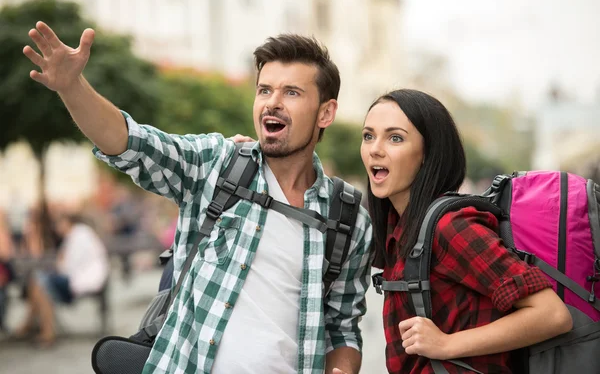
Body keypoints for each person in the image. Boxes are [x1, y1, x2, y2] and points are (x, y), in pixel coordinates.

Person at [23, 21, 373, 374]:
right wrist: (72, 87)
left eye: (292, 93)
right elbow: (132, 144)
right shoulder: (216, 164)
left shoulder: (348, 218)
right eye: (264, 90)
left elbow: (342, 327)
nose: (273, 103)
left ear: (326, 112)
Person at [356, 89, 572, 373]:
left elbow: (552, 315)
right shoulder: (401, 229)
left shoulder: (451, 227)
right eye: (368, 136)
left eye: (395, 138)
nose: (375, 149)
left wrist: (446, 344)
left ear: (428, 154)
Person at [14, 212, 109, 346]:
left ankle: (42, 331)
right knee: (39, 282)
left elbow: (67, 268)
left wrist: (60, 262)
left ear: (67, 222)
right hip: (81, 279)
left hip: (83, 281)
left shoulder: (79, 235)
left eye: (58, 224)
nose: (56, 228)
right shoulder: (78, 234)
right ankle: (33, 327)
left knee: (40, 281)